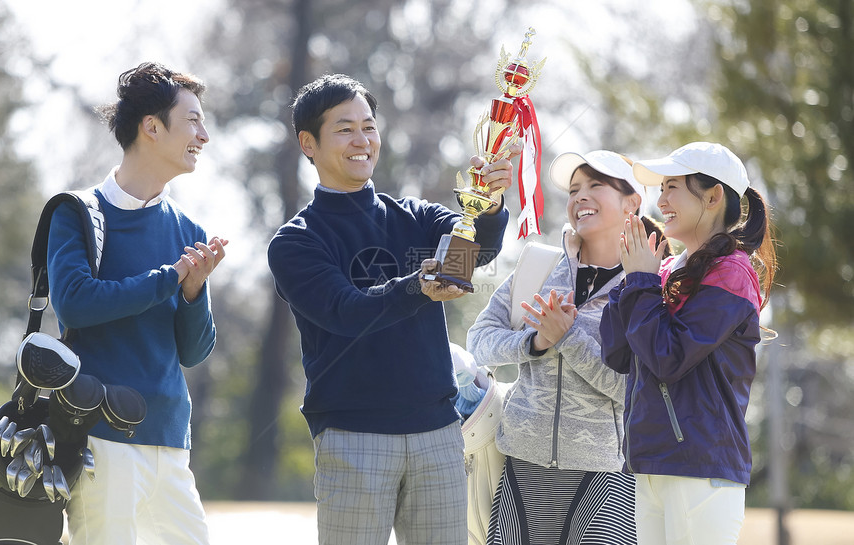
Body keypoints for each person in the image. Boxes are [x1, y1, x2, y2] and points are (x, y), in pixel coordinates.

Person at [267, 73, 513, 545]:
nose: (362, 140)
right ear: (308, 143)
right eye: (344, 129)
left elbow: (472, 253)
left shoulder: (415, 216)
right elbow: (345, 312)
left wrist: (491, 203)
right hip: (352, 435)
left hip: (440, 434)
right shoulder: (296, 242)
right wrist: (417, 287)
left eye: (369, 126)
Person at [49, 62, 227, 544]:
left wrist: (191, 295)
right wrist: (169, 278)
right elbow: (75, 304)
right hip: (102, 439)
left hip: (171, 441)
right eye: (193, 120)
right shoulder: (76, 213)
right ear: (151, 126)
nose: (204, 135)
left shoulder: (189, 232)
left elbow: (193, 352)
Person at [467, 150, 666, 544]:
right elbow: (480, 340)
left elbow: (637, 390)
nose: (580, 197)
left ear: (633, 202)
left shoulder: (650, 287)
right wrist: (535, 342)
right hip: (521, 470)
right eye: (574, 189)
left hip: (605, 481)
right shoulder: (538, 266)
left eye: (596, 185)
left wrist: (568, 338)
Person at [600, 141, 777, 545]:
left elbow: (669, 356)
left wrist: (643, 283)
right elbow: (620, 353)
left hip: (702, 466)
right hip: (652, 463)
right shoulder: (665, 270)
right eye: (661, 189)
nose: (660, 200)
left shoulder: (732, 271)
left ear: (713, 197)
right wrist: (629, 278)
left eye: (672, 187)